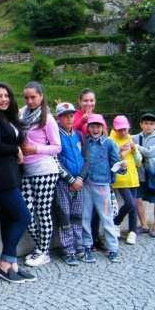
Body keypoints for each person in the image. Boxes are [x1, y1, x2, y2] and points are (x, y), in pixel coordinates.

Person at [0, 83, 35, 283]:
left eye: (6, 95)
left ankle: (12, 264)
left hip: (12, 175)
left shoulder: (9, 118)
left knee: (8, 220)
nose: (3, 99)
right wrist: (15, 150)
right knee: (24, 216)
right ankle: (4, 262)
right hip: (0, 177)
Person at [19, 81, 61, 268]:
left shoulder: (48, 119)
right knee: (25, 212)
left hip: (44, 171)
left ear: (41, 96)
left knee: (42, 212)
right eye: (26, 97)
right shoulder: (21, 114)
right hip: (25, 170)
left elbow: (57, 147)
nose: (29, 101)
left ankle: (43, 252)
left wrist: (35, 148)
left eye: (33, 97)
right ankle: (40, 247)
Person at [80, 114, 125, 264]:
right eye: (92, 126)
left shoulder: (109, 143)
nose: (95, 129)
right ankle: (87, 246)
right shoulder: (85, 142)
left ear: (103, 128)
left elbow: (116, 164)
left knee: (107, 218)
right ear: (88, 128)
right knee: (85, 217)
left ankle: (113, 249)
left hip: (103, 186)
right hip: (86, 185)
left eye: (98, 126)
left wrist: (122, 168)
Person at [54, 102, 84, 266]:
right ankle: (68, 249)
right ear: (58, 118)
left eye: (71, 115)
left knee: (77, 215)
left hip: (80, 182)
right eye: (65, 115)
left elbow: (85, 158)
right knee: (64, 215)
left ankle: (79, 246)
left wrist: (80, 178)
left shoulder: (78, 135)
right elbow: (56, 160)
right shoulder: (56, 135)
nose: (69, 118)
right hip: (63, 183)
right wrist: (70, 179)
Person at [73, 88, 103, 250]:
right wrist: (83, 121)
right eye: (85, 100)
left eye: (91, 100)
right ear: (80, 102)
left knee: (98, 206)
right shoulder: (77, 116)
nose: (89, 104)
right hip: (81, 164)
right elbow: (71, 131)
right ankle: (86, 240)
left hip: (97, 165)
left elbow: (103, 138)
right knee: (85, 206)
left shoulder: (98, 118)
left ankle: (96, 237)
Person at [110, 115, 142, 245]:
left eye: (125, 129)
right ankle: (115, 222)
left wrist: (134, 151)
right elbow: (109, 160)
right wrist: (120, 153)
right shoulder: (111, 140)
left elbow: (139, 162)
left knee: (133, 206)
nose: (123, 132)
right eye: (120, 129)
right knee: (130, 203)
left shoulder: (131, 138)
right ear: (115, 129)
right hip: (120, 178)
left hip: (133, 177)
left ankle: (132, 232)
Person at [132, 113, 155, 238]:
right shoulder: (136, 137)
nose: (148, 126)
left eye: (151, 124)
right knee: (138, 198)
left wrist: (136, 147)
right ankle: (144, 225)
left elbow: (150, 153)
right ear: (141, 124)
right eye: (146, 123)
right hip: (140, 174)